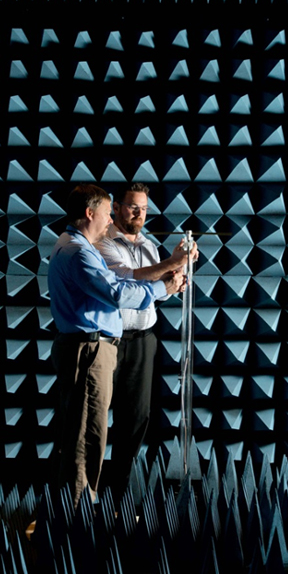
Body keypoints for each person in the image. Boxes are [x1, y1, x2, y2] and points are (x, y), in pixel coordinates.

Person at [48, 184, 185, 505]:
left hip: (95, 347)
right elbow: (118, 292)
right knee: (85, 434)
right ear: (89, 213)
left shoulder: (77, 246)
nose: (110, 221)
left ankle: (83, 504)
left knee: (91, 430)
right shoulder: (80, 252)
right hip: (90, 348)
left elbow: (119, 285)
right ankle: (77, 512)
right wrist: (164, 288)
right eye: (109, 213)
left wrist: (169, 280)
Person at [97, 183, 198, 500]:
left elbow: (155, 294)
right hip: (110, 340)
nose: (139, 214)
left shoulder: (149, 246)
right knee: (97, 416)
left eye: (144, 208)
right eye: (132, 207)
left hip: (144, 341)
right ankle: (84, 492)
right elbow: (127, 279)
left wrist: (176, 277)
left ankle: (117, 492)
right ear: (115, 207)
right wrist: (171, 263)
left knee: (136, 417)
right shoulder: (102, 244)